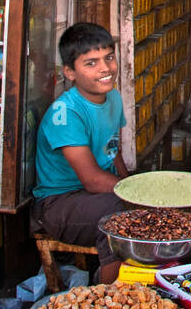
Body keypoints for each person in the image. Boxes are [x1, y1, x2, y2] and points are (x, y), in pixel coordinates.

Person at [30, 22, 130, 284]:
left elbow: (113, 151)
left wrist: (132, 181)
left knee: (147, 200)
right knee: (122, 216)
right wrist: (136, 193)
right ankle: (107, 298)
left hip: (94, 196)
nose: (105, 68)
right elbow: (92, 180)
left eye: (109, 58)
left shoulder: (114, 97)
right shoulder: (66, 114)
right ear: (69, 72)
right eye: (91, 63)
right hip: (58, 203)